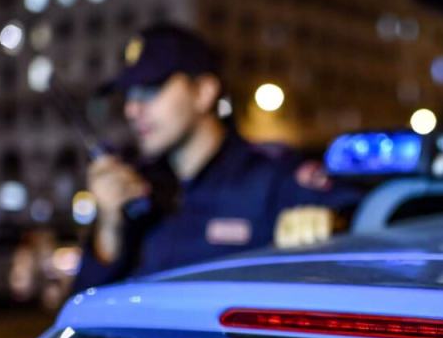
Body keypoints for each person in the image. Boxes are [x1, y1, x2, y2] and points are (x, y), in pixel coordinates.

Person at [72, 24, 359, 292]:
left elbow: (364, 219)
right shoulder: (138, 189)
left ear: (203, 92)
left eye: (150, 88)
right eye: (129, 95)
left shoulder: (271, 177)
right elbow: (86, 304)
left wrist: (332, 223)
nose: (131, 110)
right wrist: (109, 226)